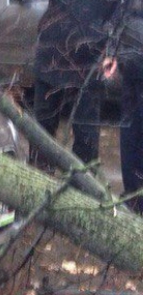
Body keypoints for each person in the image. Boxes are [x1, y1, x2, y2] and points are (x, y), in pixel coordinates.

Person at [33, 0, 120, 168]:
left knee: (86, 140)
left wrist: (111, 50)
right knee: (42, 134)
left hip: (89, 59)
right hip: (51, 51)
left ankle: (83, 188)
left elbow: (122, 12)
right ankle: (35, 184)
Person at [102, 0, 143, 212]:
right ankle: (133, 197)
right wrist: (111, 53)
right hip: (131, 73)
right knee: (129, 137)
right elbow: (118, 18)